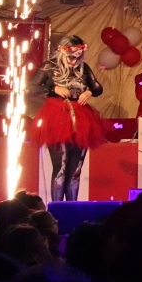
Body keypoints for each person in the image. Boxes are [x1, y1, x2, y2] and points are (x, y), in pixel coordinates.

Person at [27, 35, 107, 202]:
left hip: (81, 119)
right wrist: (53, 88)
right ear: (63, 52)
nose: (74, 61)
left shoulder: (83, 68)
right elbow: (30, 87)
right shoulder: (50, 66)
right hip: (57, 116)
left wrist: (89, 92)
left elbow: (98, 88)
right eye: (71, 57)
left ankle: (72, 208)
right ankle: (57, 209)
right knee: (61, 167)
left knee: (75, 170)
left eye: (77, 57)